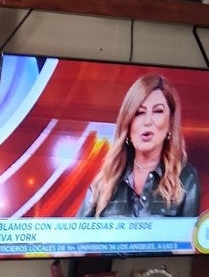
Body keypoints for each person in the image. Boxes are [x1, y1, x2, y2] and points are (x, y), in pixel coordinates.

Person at [78, 74, 200, 218]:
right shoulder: (104, 182)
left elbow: (191, 232)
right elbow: (76, 232)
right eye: (139, 113)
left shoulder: (186, 179)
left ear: (170, 122)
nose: (147, 121)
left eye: (157, 111)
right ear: (128, 123)